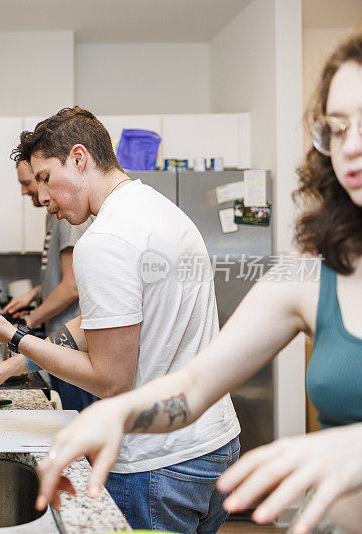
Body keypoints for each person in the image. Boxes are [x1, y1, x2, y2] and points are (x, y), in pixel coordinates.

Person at [33, 31, 362, 534]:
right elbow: (191, 387)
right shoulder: (311, 271)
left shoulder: (112, 234)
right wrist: (117, 418)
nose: (352, 145)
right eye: (338, 128)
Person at [0, 106, 240, 533]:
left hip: (156, 465)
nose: (43, 197)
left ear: (79, 157)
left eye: (47, 178)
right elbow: (94, 325)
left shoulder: (103, 241)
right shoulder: (161, 211)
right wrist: (7, 366)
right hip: (215, 446)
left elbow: (111, 380)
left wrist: (14, 335)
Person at [1, 160, 96, 411]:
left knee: (80, 425)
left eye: (27, 182)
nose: (25, 191)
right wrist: (35, 292)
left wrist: (25, 324)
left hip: (75, 346)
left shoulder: (67, 216)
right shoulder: (53, 217)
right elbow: (70, 275)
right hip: (62, 342)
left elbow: (72, 286)